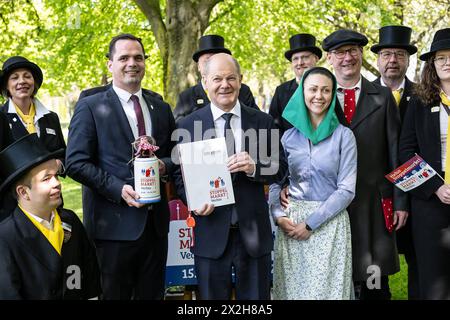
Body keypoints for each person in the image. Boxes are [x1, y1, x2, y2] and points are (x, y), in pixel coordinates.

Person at [66, 33, 176, 300]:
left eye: (138, 57)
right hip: (112, 229)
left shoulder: (160, 106)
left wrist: (164, 166)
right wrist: (118, 189)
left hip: (155, 228)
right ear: (110, 65)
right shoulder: (91, 106)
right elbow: (75, 163)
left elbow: (177, 155)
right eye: (124, 58)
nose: (132, 63)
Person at [173, 53, 287, 300]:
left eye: (230, 78)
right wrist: (193, 201)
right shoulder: (188, 125)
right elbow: (179, 178)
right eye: (217, 79)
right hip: (210, 233)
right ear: (205, 82)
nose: (224, 85)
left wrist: (254, 166)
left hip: (253, 236)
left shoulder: (263, 122)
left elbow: (281, 168)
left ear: (241, 80)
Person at [321, 29, 408, 299]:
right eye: (340, 53)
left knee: (374, 282)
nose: (347, 57)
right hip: (330, 204)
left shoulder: (382, 97)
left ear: (360, 54)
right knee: (335, 279)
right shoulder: (318, 97)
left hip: (374, 204)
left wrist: (401, 201)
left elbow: (396, 153)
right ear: (329, 59)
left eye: (353, 51)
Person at [269, 67, 356, 300]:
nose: (319, 96)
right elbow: (275, 183)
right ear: (302, 93)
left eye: (326, 90)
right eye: (313, 89)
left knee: (327, 293)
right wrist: (279, 216)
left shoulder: (344, 136)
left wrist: (310, 224)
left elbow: (347, 190)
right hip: (291, 224)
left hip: (329, 224)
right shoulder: (287, 138)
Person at [0, 133, 100, 299]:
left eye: (55, 175)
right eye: (46, 179)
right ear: (23, 192)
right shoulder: (6, 239)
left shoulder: (70, 221)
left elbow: (89, 280)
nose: (57, 183)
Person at [399, 27, 450, 300]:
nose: (447, 62)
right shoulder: (419, 101)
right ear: (432, 64)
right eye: (440, 58)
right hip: (430, 201)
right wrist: (435, 186)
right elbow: (406, 152)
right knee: (432, 278)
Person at [371, 25, 419, 300]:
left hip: (417, 191)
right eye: (387, 54)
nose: (392, 60)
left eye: (399, 54)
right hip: (377, 193)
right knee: (375, 261)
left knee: (418, 255)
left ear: (408, 60)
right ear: (377, 59)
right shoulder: (364, 95)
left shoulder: (424, 94)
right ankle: (377, 295)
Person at [0, 56, 66, 223]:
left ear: (34, 82)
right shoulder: (1, 118)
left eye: (27, 76)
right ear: (6, 86)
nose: (22, 81)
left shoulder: (51, 117)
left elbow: (64, 153)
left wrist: (59, 165)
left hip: (52, 202)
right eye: (14, 77)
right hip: (14, 207)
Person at [173, 34, 258, 123]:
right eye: (207, 61)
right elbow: (179, 129)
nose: (213, 65)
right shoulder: (186, 97)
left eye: (217, 59)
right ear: (198, 66)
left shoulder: (243, 91)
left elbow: (257, 121)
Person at [269, 33, 321, 134]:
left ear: (316, 58)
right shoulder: (281, 91)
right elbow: (273, 127)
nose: (300, 63)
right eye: (295, 59)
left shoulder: (330, 87)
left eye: (305, 57)